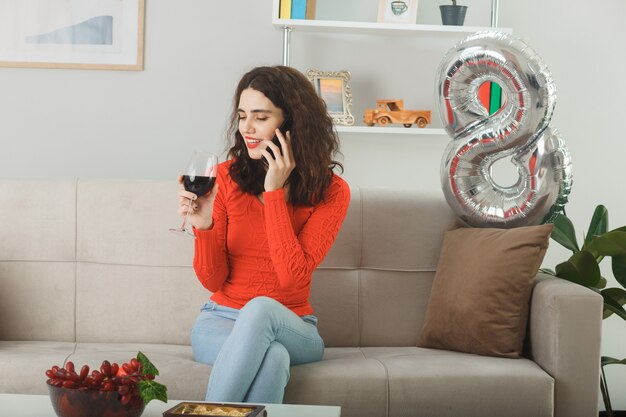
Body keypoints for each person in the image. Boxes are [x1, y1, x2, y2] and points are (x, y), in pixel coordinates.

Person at [176, 65, 351, 404]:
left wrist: (274, 194)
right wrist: (204, 226)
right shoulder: (225, 178)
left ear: (291, 123)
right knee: (273, 359)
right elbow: (213, 282)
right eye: (242, 116)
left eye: (261, 117)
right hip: (220, 320)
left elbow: (291, 280)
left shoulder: (332, 192)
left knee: (260, 309)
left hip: (293, 324)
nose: (247, 128)